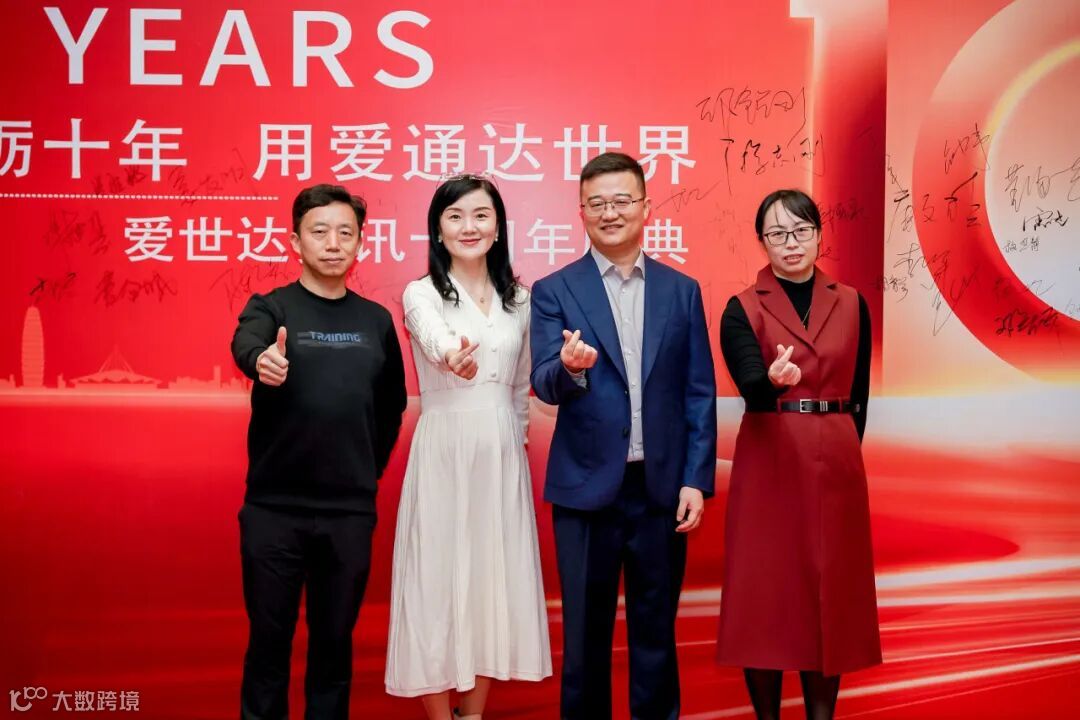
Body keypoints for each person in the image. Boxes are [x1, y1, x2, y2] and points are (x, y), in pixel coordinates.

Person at [530, 152, 717, 720]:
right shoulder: (555, 289)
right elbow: (544, 383)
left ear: (645, 206)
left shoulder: (681, 290)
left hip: (660, 490)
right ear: (581, 212)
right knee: (585, 639)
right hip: (586, 491)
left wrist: (695, 480)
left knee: (655, 634)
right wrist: (570, 368)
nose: (610, 213)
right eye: (597, 203)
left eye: (621, 201)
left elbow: (698, 392)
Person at [231, 183, 408, 720]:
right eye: (320, 232)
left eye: (345, 233)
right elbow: (247, 342)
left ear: (360, 243)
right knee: (269, 646)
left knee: (333, 649)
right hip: (274, 511)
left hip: (348, 513)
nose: (333, 243)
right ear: (295, 242)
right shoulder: (271, 307)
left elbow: (391, 406)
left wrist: (366, 471)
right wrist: (262, 360)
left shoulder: (375, 320)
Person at [385, 174, 552, 720]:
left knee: (489, 585)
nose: (469, 227)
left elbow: (522, 387)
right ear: (437, 229)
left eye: (481, 215)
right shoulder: (422, 293)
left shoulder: (521, 300)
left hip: (501, 455)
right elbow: (432, 337)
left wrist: (515, 442)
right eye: (454, 216)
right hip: (444, 448)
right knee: (434, 583)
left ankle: (473, 713)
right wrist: (451, 356)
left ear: (498, 227)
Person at [715, 189, 881, 720]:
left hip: (837, 465)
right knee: (764, 595)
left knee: (828, 593)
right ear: (761, 241)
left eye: (801, 231)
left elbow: (859, 395)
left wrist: (841, 448)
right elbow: (750, 386)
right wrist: (772, 380)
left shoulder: (852, 302)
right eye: (778, 234)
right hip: (770, 462)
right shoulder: (742, 307)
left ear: (818, 234)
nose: (791, 243)